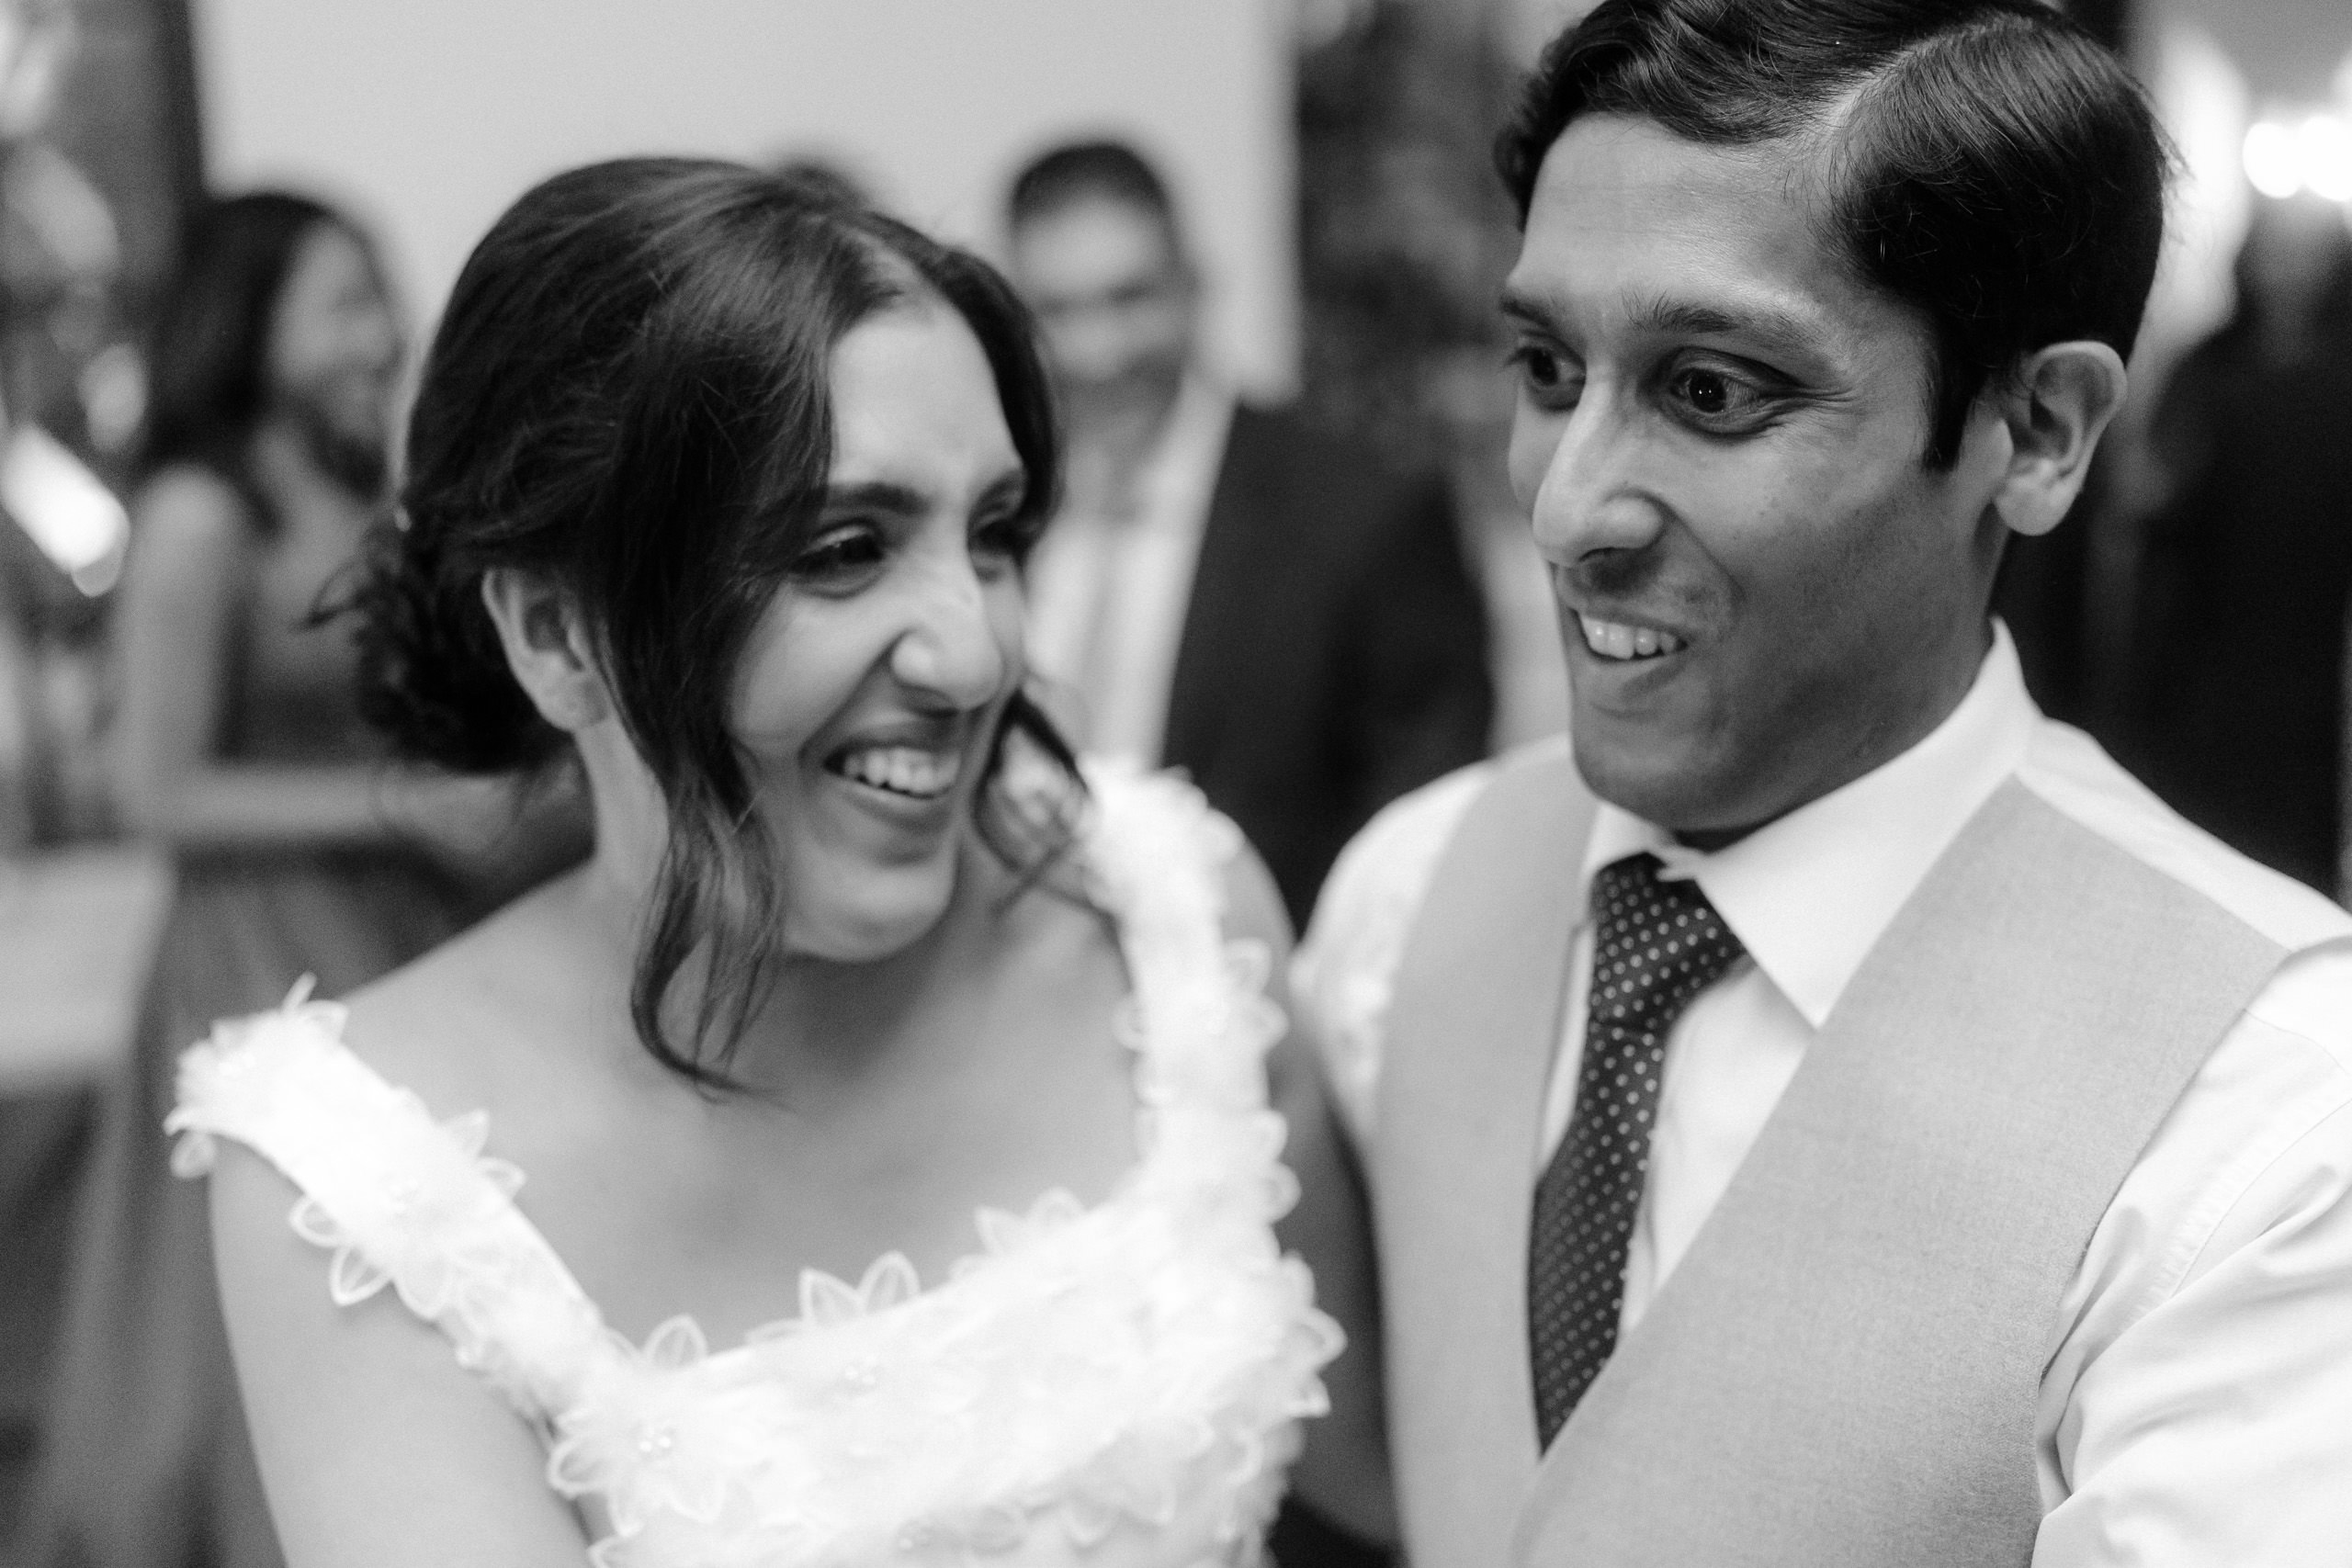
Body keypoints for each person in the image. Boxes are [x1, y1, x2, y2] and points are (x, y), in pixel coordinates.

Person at [163, 159, 1371, 1568]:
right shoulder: (362, 1183)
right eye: (845, 549)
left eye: (991, 534)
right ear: (556, 634)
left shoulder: (1171, 927)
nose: (977, 653)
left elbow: (1411, 1485)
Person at [1291, 3, 2352, 1564]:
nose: (1568, 510)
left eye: (1712, 391)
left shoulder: (2269, 1117)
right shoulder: (1409, 894)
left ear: (2035, 431)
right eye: (1548, 367)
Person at [20, 193, 573, 1568]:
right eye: (342, 303)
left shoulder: (365, 487)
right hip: (258, 945)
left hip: (399, 920)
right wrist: (403, 806)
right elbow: (152, 791)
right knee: (286, 1284)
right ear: (250, 324)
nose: (379, 333)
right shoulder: (199, 516)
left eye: (380, 294)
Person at [1002, 141, 1493, 930]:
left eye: (1130, 299)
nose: (1099, 352)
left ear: (1195, 288)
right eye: (1057, 312)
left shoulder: (1367, 511)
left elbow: (1421, 833)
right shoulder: (999, 510)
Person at [2121, 193, 2352, 895]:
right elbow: (2151, 491)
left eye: (2306, 256)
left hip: (2315, 640)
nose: (2288, 272)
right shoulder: (2208, 363)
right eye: (2276, 253)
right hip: (2206, 632)